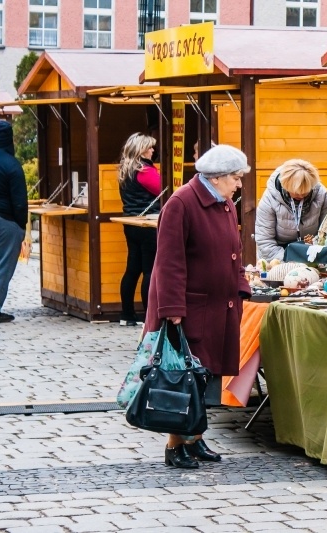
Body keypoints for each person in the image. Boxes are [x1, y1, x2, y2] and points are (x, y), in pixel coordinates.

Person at [143, 144, 251, 469]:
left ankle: (195, 438)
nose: (239, 184)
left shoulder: (225, 204)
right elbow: (169, 262)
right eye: (235, 177)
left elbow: (235, 251)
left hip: (220, 306)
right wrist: (172, 309)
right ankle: (175, 445)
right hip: (191, 309)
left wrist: (242, 285)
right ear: (216, 177)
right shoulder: (181, 204)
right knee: (184, 379)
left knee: (206, 377)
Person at [118, 133, 161, 327]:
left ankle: (127, 314)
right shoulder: (145, 171)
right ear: (141, 149)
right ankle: (147, 316)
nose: (153, 150)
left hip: (131, 222)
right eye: (150, 147)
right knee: (149, 270)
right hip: (148, 223)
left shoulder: (126, 169)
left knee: (132, 269)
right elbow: (164, 189)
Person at [254, 159, 327, 261]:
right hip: (278, 256)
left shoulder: (322, 195)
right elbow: (265, 242)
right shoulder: (269, 200)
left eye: (305, 192)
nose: (301, 195)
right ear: (285, 185)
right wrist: (291, 262)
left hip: (312, 254)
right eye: (296, 192)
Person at [0, 120, 27, 323]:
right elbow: (19, 202)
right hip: (6, 221)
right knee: (3, 266)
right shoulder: (12, 165)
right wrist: (21, 226)